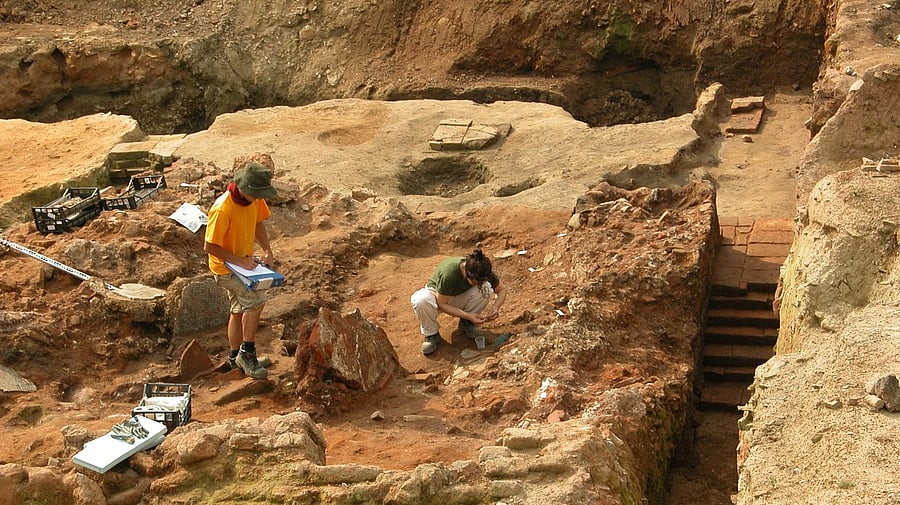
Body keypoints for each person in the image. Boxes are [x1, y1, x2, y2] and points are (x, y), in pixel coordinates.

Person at [204, 161, 278, 379]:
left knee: (238, 311)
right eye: (258, 194)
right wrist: (239, 261)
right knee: (256, 300)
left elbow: (258, 223)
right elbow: (209, 246)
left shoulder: (254, 198)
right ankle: (247, 354)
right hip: (225, 268)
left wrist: (268, 250)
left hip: (242, 265)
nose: (260, 198)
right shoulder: (222, 208)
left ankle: (234, 357)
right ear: (245, 188)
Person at [410, 248, 508, 355]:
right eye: (476, 282)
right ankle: (431, 334)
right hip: (437, 297)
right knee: (421, 300)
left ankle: (467, 324)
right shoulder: (449, 273)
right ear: (466, 274)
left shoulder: (481, 269)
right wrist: (468, 315)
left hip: (457, 297)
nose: (479, 283)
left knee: (486, 288)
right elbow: (442, 303)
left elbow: (502, 289)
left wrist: (496, 307)